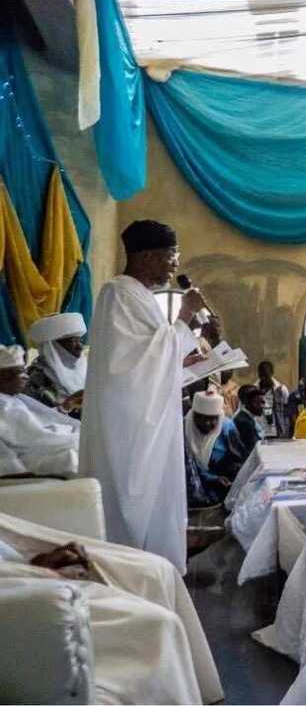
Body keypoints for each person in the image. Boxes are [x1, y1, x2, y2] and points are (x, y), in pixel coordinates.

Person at [79, 220, 204, 572]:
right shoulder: (119, 293)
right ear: (147, 256)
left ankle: (155, 567)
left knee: (156, 503)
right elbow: (127, 372)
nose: (175, 264)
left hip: (142, 417)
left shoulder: (137, 295)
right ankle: (135, 573)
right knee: (132, 506)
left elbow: (149, 359)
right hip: (128, 428)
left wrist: (184, 360)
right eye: (171, 255)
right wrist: (185, 315)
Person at [0, 512, 223, 705]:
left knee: (153, 572)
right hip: (17, 598)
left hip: (16, 566)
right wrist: (36, 571)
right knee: (158, 627)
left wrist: (34, 559)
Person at [0, 345, 80, 476]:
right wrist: (75, 435)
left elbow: (39, 423)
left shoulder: (15, 397)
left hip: (38, 447)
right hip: (27, 458)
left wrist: (67, 407)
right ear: (3, 377)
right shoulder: (4, 406)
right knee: (75, 453)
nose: (26, 377)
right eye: (20, 371)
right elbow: (36, 437)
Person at [24, 311, 86, 416]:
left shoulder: (85, 370)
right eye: (73, 341)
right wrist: (69, 404)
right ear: (53, 347)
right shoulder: (35, 379)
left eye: (80, 341)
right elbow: (36, 420)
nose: (80, 347)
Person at [184, 390, 246, 493]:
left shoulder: (227, 428)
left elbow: (238, 460)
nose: (207, 423)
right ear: (194, 415)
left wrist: (225, 478)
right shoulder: (184, 429)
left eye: (213, 419)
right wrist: (211, 478)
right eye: (202, 418)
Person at [255, 360, 290, 438]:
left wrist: (286, 428)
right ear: (258, 374)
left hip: (277, 431)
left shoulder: (281, 389)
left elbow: (287, 410)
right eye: (261, 376)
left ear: (271, 374)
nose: (264, 378)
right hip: (260, 431)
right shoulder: (254, 390)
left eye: (266, 376)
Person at [233, 384, 265, 455]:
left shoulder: (247, 418)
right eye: (257, 403)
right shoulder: (245, 422)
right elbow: (252, 450)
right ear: (247, 403)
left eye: (262, 403)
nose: (262, 406)